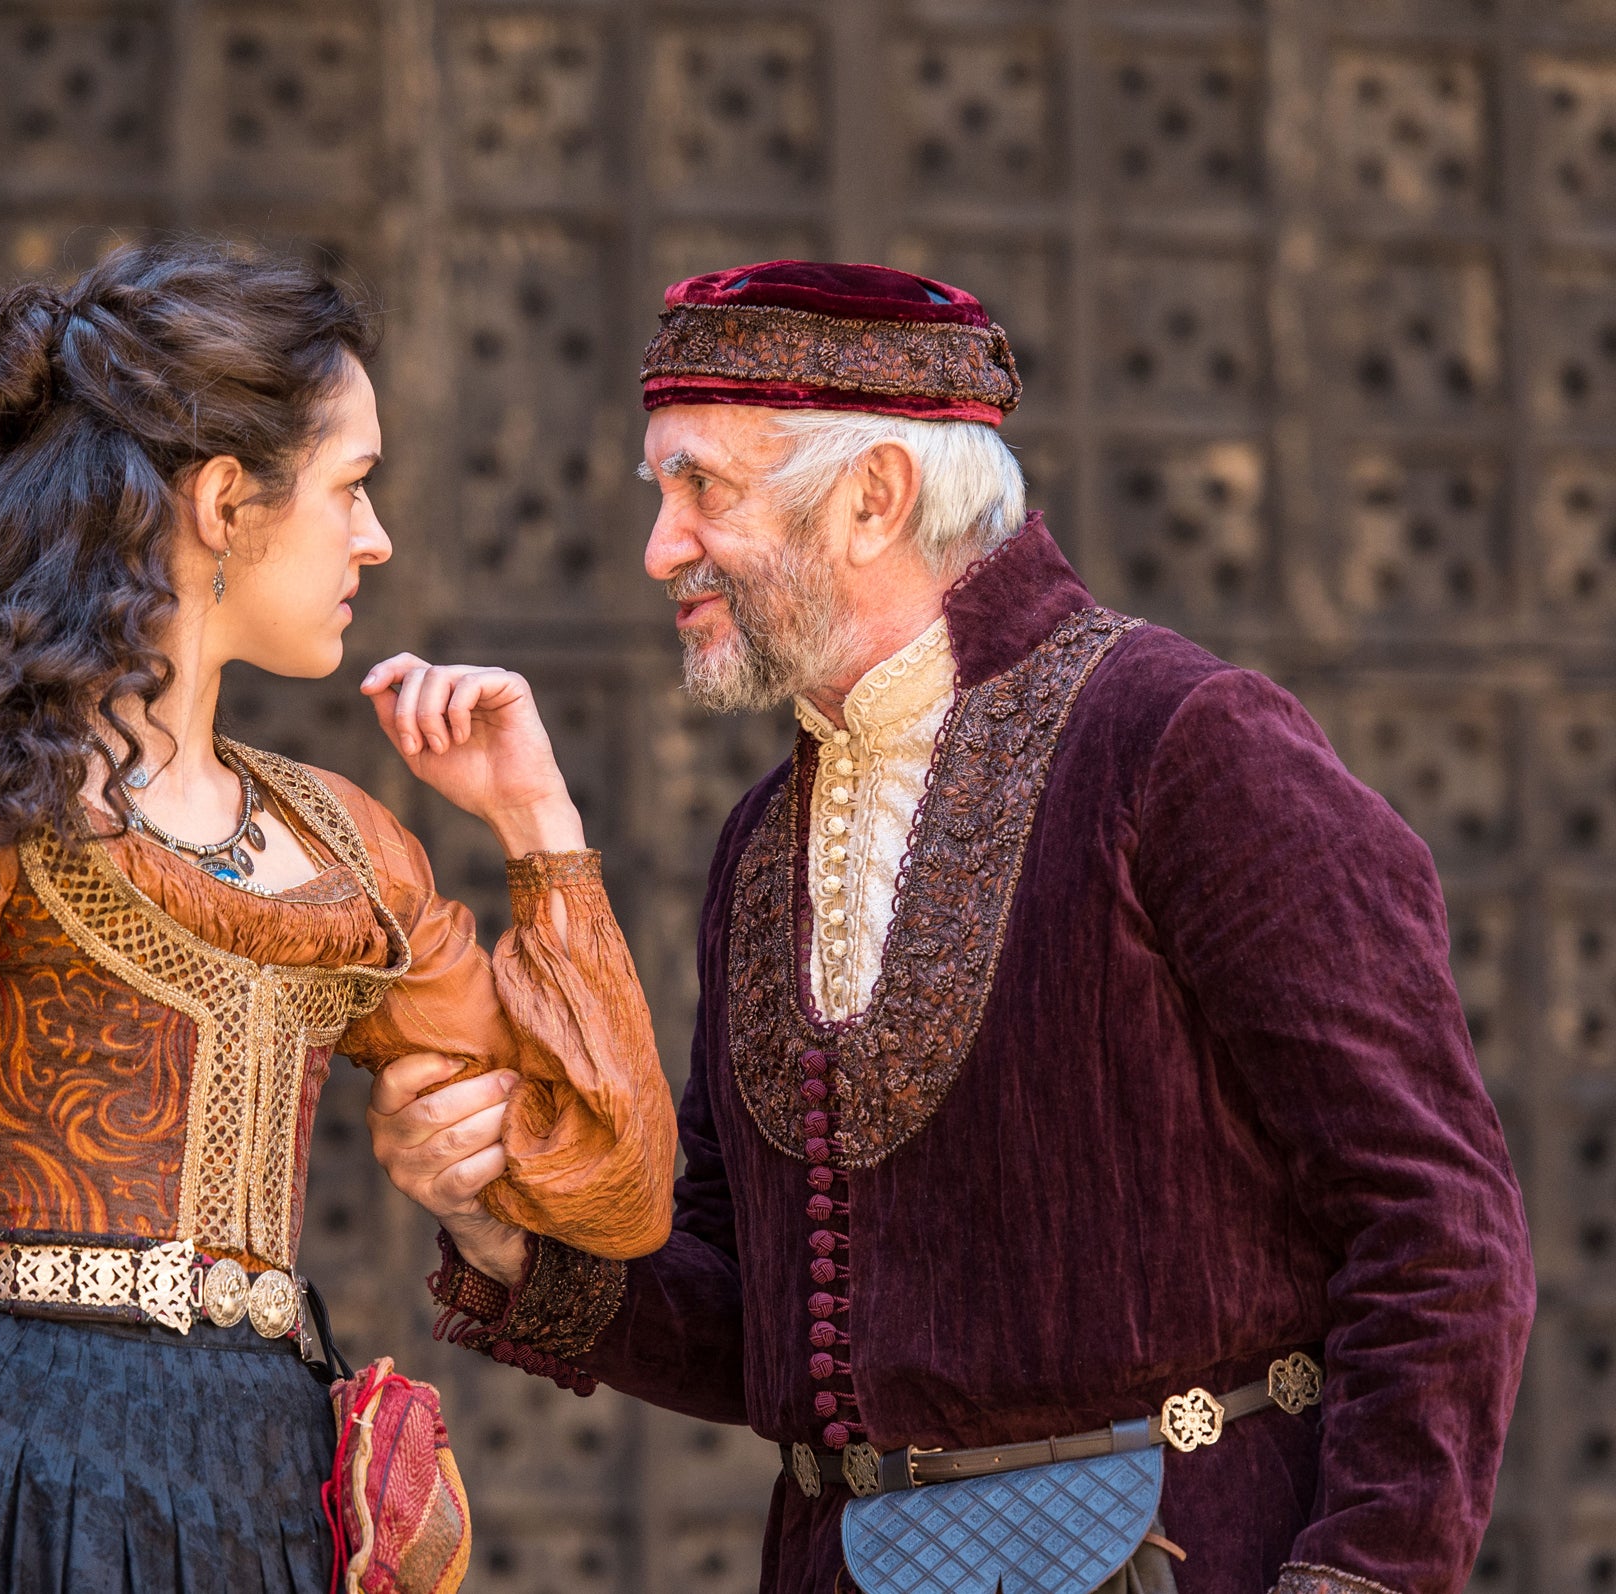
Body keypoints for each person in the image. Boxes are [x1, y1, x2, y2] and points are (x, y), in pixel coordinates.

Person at [369, 261, 1536, 1594]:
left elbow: (1440, 1228)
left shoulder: (1184, 747)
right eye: (660, 494)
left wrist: (1361, 1580)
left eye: (701, 487)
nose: (661, 547)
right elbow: (761, 1325)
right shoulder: (763, 841)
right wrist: (505, 1225)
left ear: (874, 497)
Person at [0, 238, 675, 1594]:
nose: (376, 537)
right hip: (10, 1474)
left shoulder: (347, 847)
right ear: (221, 500)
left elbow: (610, 1180)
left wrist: (537, 819)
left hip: (265, 1484)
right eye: (353, 487)